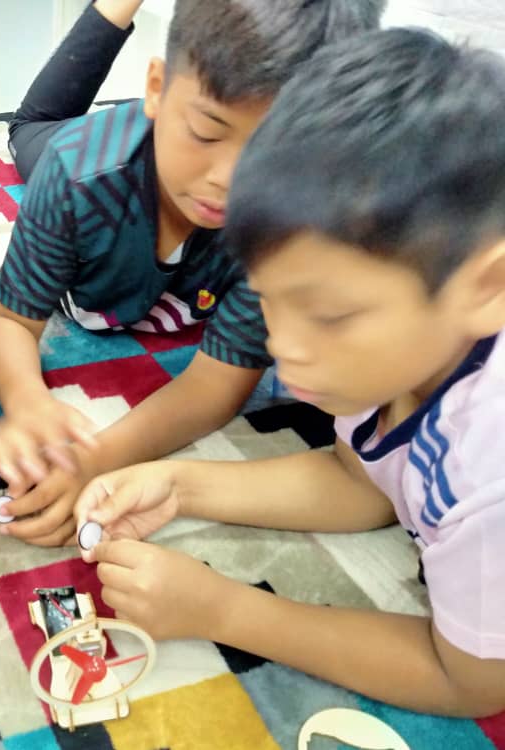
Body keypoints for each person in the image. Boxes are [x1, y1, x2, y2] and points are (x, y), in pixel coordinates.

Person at [75, 28, 505, 716]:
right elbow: (362, 484)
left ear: (486, 289)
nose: (285, 348)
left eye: (329, 316)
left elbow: (473, 683)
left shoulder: (489, 470)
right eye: (270, 300)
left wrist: (223, 611)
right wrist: (179, 484)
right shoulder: (390, 361)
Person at [0, 0, 384, 546]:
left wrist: (96, 460)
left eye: (277, 152)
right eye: (207, 131)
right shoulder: (77, 173)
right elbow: (8, 321)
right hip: (69, 144)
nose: (230, 180)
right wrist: (27, 401)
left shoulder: (288, 219)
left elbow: (218, 382)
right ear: (156, 88)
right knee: (31, 129)